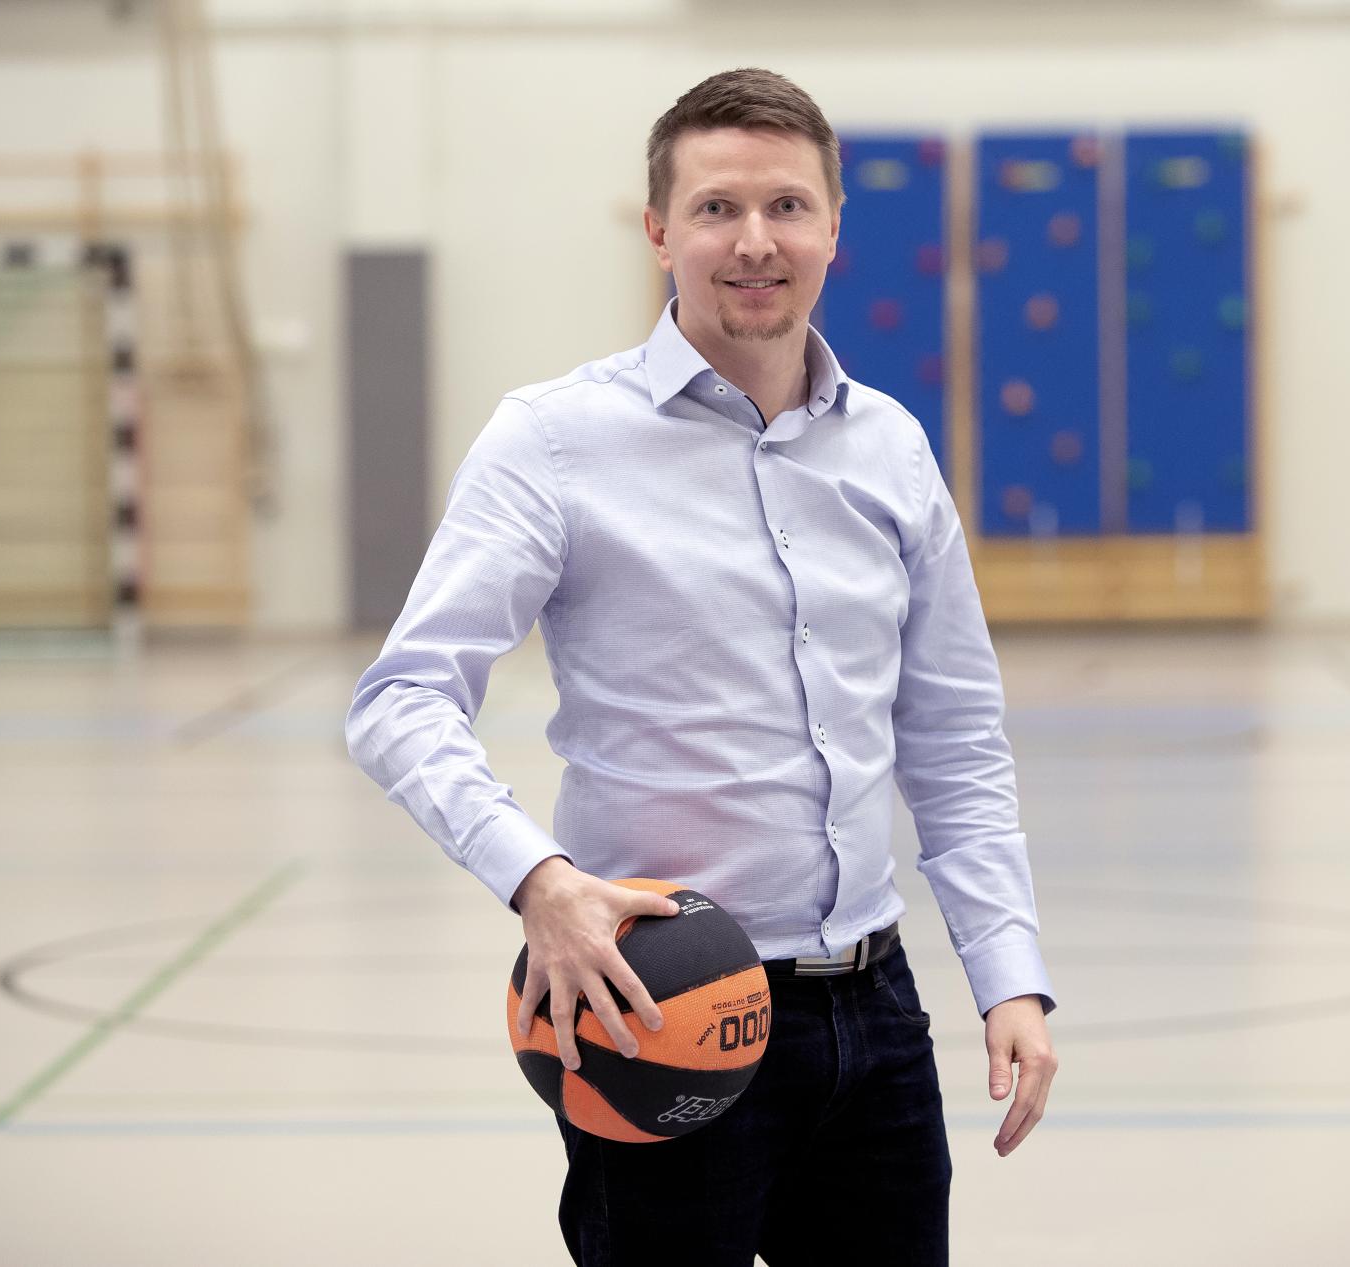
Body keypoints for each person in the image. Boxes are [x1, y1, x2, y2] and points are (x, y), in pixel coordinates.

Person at [346, 66, 1056, 1267]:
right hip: (656, 1012)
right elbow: (402, 700)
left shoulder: (889, 447)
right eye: (718, 208)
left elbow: (952, 741)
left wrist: (1009, 973)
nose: (754, 242)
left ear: (834, 227)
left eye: (787, 207)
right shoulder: (555, 441)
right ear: (659, 230)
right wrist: (541, 882)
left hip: (874, 1018)